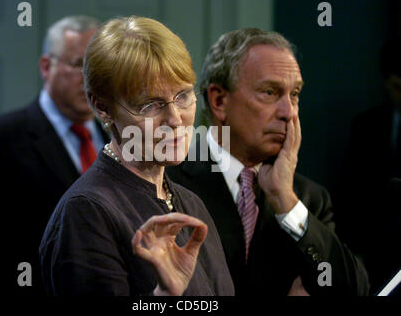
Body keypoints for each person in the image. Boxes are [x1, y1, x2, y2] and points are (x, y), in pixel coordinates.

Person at [39, 16, 234, 296]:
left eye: (182, 96)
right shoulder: (86, 212)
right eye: (150, 105)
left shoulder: (191, 203)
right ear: (103, 108)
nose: (175, 119)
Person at [166, 28, 370, 296]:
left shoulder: (308, 199)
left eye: (294, 94)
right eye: (270, 92)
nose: (289, 112)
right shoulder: (169, 184)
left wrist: (284, 199)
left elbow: (355, 289)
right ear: (219, 101)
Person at [0, 15, 109, 295]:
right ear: (46, 67)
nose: (90, 79)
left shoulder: (116, 137)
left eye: (98, 68)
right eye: (78, 65)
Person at [336, 37, 401, 294]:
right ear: (386, 82)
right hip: (375, 251)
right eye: (397, 87)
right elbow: (353, 190)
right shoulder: (367, 125)